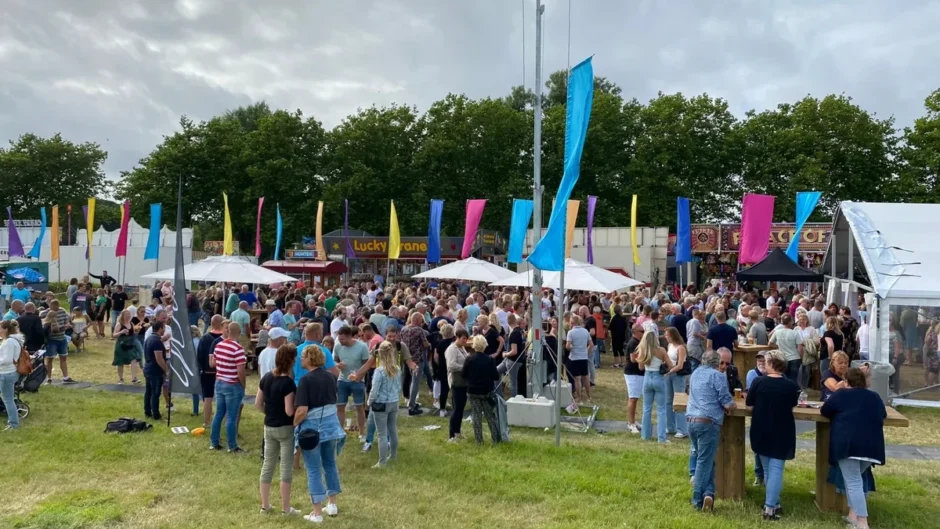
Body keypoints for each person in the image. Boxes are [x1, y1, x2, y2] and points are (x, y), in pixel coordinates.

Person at [821, 368, 887, 529]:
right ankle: (852, 515)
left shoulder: (841, 394)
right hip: (873, 448)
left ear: (847, 381)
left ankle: (862, 523)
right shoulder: (874, 396)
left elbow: (825, 410)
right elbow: (883, 414)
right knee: (854, 479)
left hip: (848, 445)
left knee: (853, 482)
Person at [745, 351, 800, 520]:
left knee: (769, 469)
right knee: (775, 469)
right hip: (782, 429)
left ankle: (772, 505)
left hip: (761, 429)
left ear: (770, 363)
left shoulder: (758, 382)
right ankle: (771, 506)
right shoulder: (791, 385)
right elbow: (792, 405)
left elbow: (748, 405)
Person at [293, 344, 345, 523]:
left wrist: (293, 424)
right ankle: (332, 504)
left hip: (311, 429)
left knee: (314, 468)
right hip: (331, 425)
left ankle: (317, 513)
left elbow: (302, 410)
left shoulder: (305, 380)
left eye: (303, 356)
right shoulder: (331, 377)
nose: (300, 359)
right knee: (330, 463)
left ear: (309, 359)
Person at [686, 349, 736, 512]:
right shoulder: (717, 376)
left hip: (691, 420)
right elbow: (726, 401)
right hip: (708, 422)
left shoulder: (695, 373)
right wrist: (732, 405)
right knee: (704, 461)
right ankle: (696, 500)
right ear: (716, 362)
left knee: (706, 460)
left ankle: (708, 493)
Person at [255, 344, 300, 516]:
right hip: (285, 428)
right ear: (290, 360)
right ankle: (285, 508)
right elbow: (289, 410)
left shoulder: (266, 377)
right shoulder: (288, 383)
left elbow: (258, 404)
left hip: (269, 426)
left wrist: (271, 412)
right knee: (285, 468)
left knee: (268, 465)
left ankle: (265, 506)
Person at [209, 322, 247, 453]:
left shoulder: (219, 345)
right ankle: (232, 445)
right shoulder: (238, 349)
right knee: (231, 416)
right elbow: (241, 371)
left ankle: (214, 442)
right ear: (239, 332)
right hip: (232, 384)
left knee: (218, 414)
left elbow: (214, 363)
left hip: (219, 382)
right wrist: (243, 385)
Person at [367, 340, 402, 467]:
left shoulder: (379, 371)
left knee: (381, 434)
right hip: (394, 401)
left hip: (381, 403)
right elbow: (399, 387)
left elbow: (374, 389)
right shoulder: (397, 368)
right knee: (392, 430)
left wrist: (369, 401)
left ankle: (382, 462)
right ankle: (393, 455)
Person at [462, 335, 500, 445]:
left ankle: (479, 441)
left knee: (476, 416)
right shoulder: (489, 359)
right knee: (490, 416)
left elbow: (464, 374)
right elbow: (496, 376)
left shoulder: (469, 359)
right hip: (486, 392)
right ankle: (495, 439)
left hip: (472, 391)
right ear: (485, 345)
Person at [637, 329, 674, 443]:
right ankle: (661, 438)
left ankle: (645, 435)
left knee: (646, 408)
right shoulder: (661, 350)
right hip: (658, 377)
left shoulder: (643, 350)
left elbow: (641, 368)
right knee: (661, 409)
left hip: (647, 378)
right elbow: (671, 365)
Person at [333, 325, 370, 439]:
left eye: (342, 339)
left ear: (349, 337)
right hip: (342, 379)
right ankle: (340, 432)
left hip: (357, 381)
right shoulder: (338, 346)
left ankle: (362, 433)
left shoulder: (362, 346)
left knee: (359, 407)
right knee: (340, 406)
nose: (340, 341)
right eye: (339, 339)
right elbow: (334, 360)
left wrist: (359, 376)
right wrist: (337, 365)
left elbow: (366, 364)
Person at [445, 329, 471, 442]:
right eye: (463, 338)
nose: (465, 340)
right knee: (457, 409)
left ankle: (457, 431)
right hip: (456, 382)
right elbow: (451, 365)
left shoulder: (462, 348)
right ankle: (451, 435)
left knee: (460, 408)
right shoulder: (452, 349)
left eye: (466, 338)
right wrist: (464, 368)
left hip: (463, 381)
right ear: (457, 337)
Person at [664, 327, 689, 439]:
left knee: (678, 401)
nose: (665, 337)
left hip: (677, 375)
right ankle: (670, 426)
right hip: (668, 374)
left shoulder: (681, 348)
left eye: (667, 335)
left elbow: (680, 365)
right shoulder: (669, 346)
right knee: (668, 401)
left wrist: (670, 371)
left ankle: (682, 429)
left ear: (672, 335)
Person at [0, 320, 24, 430]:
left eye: (0, 328)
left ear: (6, 329)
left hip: (6, 373)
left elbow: (7, 359)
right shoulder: (13, 340)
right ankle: (13, 423)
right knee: (8, 399)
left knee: (8, 400)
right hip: (9, 372)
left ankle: (13, 424)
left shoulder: (9, 342)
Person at [143, 320, 170, 420]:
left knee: (148, 392)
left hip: (148, 368)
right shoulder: (157, 341)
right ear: (160, 329)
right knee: (155, 393)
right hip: (155, 371)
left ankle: (147, 411)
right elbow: (159, 358)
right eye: (164, 328)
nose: (164, 330)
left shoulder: (149, 339)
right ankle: (156, 414)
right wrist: (166, 370)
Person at [43, 300, 73, 384]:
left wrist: (66, 325)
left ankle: (66, 377)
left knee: (63, 358)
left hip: (62, 338)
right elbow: (42, 319)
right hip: (51, 340)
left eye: (57, 308)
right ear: (51, 306)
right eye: (54, 308)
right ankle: (48, 378)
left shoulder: (62, 311)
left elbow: (66, 320)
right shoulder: (47, 312)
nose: (56, 310)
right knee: (49, 359)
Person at [768, 313, 804, 383]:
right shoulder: (795, 333)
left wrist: (778, 346)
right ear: (790, 322)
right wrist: (801, 358)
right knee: (793, 378)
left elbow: (770, 343)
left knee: (783, 378)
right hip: (794, 358)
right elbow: (800, 348)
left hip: (782, 358)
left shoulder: (777, 332)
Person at [565, 315, 593, 405]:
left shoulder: (570, 332)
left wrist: (572, 348)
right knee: (586, 377)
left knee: (577, 379)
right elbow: (591, 344)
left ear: (572, 323)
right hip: (583, 357)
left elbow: (568, 346)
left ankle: (579, 397)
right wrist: (586, 352)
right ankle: (589, 396)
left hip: (574, 357)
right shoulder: (585, 331)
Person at [623, 325, 645, 434]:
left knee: (635, 398)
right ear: (635, 332)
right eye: (642, 331)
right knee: (633, 398)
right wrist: (646, 359)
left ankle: (633, 421)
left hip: (638, 373)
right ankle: (631, 423)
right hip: (633, 373)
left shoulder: (638, 342)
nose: (643, 332)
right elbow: (633, 359)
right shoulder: (633, 343)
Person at [112, 309, 141, 385]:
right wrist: (121, 332)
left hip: (130, 344)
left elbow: (133, 334)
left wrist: (137, 331)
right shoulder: (119, 324)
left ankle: (134, 378)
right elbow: (114, 335)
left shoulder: (131, 324)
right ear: (123, 316)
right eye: (126, 314)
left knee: (134, 359)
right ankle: (121, 379)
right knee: (120, 362)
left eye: (129, 314)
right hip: (121, 345)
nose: (128, 316)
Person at [433, 322, 455, 417]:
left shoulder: (438, 343)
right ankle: (455, 408)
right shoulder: (454, 343)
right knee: (454, 389)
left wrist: (440, 364)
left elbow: (435, 357)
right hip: (453, 368)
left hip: (442, 368)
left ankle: (442, 409)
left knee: (444, 390)